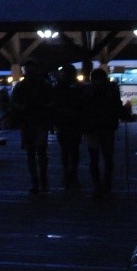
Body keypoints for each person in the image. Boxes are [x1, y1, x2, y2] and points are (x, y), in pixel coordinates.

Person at [10, 58, 53, 194]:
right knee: (41, 152)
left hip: (27, 122)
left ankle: (35, 182)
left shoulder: (21, 86)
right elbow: (51, 101)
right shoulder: (44, 85)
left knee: (31, 154)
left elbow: (13, 102)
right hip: (39, 121)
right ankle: (43, 181)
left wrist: (22, 107)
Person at [82, 68, 124, 198]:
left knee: (94, 158)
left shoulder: (88, 91)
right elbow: (117, 106)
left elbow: (83, 108)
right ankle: (107, 183)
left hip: (92, 128)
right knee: (108, 156)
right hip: (107, 128)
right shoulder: (111, 90)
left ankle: (97, 185)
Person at [51, 64, 85, 190]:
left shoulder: (58, 88)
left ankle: (67, 172)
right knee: (74, 149)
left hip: (63, 123)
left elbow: (54, 105)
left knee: (65, 149)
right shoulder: (78, 88)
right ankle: (73, 172)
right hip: (75, 123)